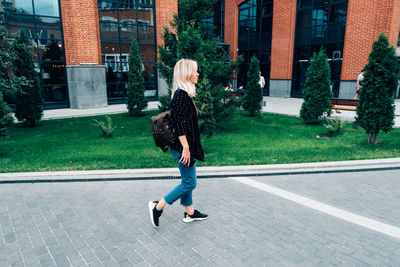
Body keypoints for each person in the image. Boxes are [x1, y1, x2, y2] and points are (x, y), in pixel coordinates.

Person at [149, 59, 208, 227]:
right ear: (186, 74)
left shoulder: (183, 94)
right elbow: (180, 124)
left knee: (186, 180)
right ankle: (158, 206)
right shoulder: (182, 96)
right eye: (195, 71)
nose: (197, 74)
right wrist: (186, 148)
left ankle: (189, 212)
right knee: (190, 182)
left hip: (183, 146)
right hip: (183, 147)